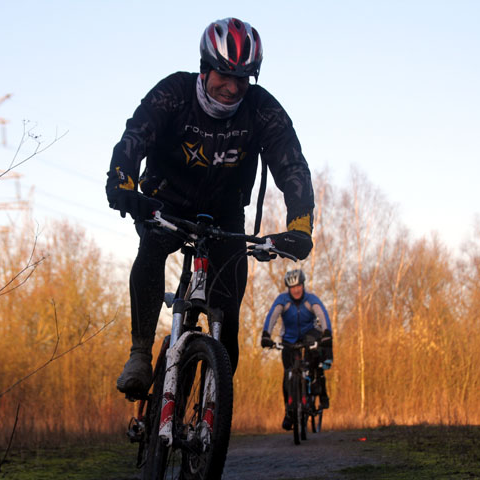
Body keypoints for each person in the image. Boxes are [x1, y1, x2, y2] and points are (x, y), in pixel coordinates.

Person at [106, 17, 316, 397]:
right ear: (206, 68)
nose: (232, 87)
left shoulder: (261, 108)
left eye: (243, 78)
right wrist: (122, 181)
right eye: (224, 74)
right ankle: (139, 353)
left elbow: (291, 163)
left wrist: (300, 223)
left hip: (225, 215)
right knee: (151, 250)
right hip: (165, 202)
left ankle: (211, 410)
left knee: (228, 310)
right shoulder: (174, 92)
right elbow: (136, 135)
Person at [261, 269, 333, 430]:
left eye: (298, 285)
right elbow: (272, 315)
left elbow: (322, 314)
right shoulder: (283, 300)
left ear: (303, 285)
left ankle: (317, 387)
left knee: (314, 358)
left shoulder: (311, 299)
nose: (296, 290)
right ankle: (289, 411)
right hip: (289, 340)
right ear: (288, 288)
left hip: (309, 335)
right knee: (288, 374)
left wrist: (327, 333)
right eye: (292, 287)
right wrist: (266, 334)